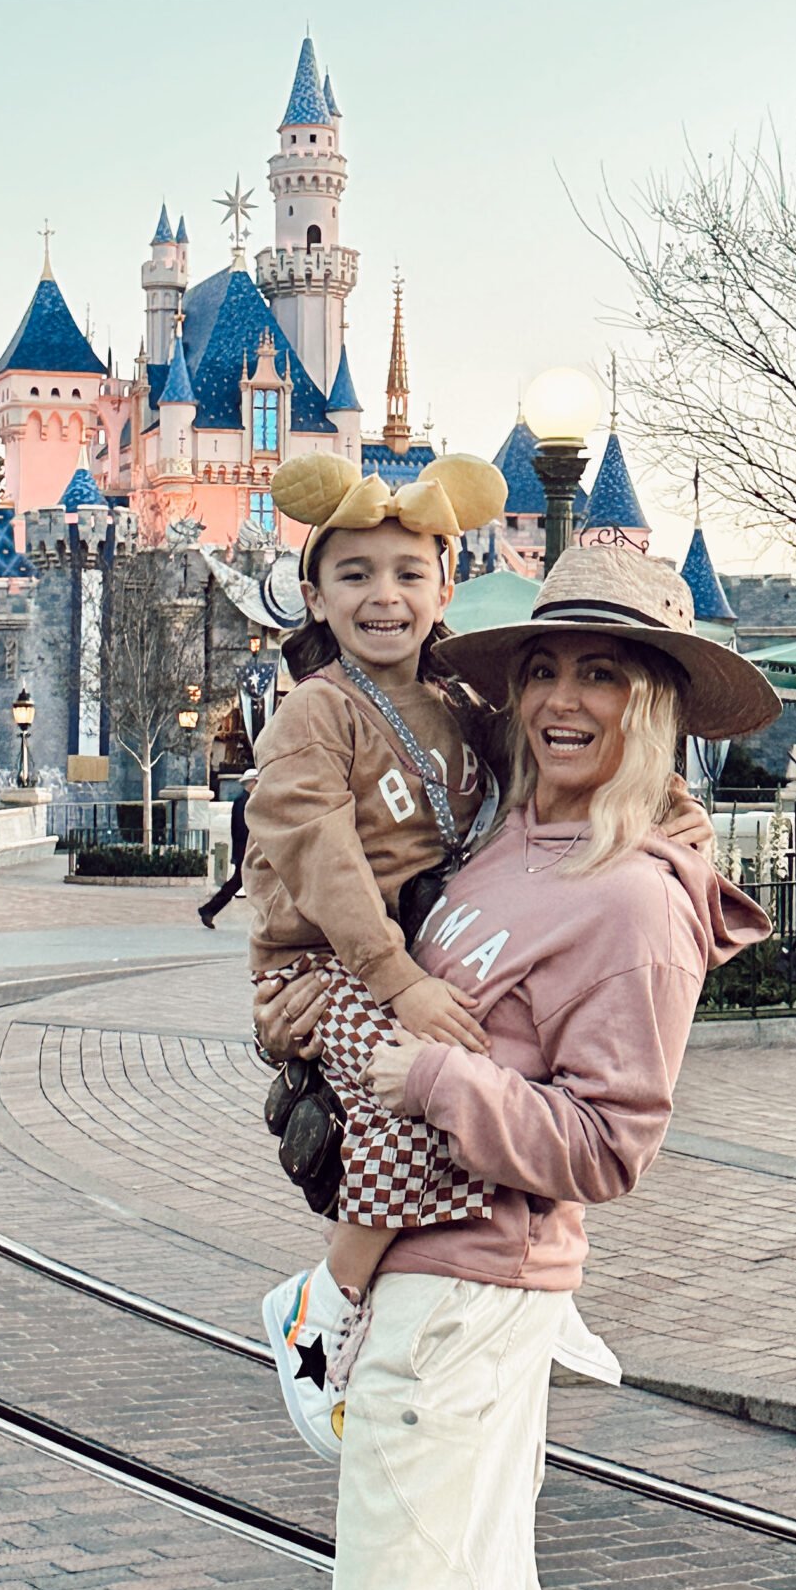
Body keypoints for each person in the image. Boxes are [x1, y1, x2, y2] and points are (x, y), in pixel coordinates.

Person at [254, 546, 777, 1590]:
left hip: (476, 1289)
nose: (561, 698)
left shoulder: (628, 900)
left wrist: (414, 1075)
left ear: (662, 709)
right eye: (543, 668)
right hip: (415, 1282)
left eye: (603, 676)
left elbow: (607, 1146)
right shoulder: (510, 848)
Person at [241, 449, 513, 1451]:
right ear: (313, 593)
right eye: (354, 574)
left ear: (448, 585)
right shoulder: (318, 712)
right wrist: (397, 984)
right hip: (327, 966)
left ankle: (524, 1284)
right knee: (412, 1096)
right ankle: (322, 1305)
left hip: (423, 959)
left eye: (408, 573)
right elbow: (323, 858)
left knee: (512, 1085)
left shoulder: (463, 701)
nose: (383, 596)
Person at [195, 782, 250, 928]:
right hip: (247, 851)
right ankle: (208, 910)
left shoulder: (245, 800)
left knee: (239, 883)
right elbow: (243, 830)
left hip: (247, 851)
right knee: (238, 882)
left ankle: (209, 910)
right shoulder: (245, 801)